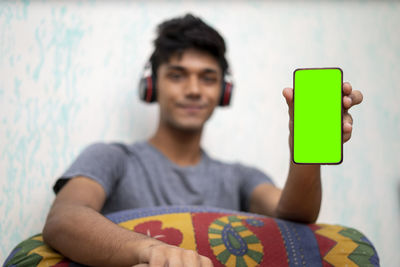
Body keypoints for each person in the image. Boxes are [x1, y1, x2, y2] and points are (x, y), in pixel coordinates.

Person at [42, 13, 363, 267]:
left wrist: (305, 149)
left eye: (208, 78)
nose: (194, 89)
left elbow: (295, 215)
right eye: (177, 75)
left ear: (223, 91)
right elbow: (64, 218)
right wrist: (151, 250)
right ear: (151, 86)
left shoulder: (239, 176)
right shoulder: (112, 157)